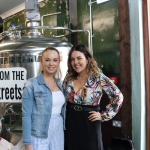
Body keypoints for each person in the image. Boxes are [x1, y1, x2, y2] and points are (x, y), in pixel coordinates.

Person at [62, 44, 123, 150]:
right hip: (71, 120)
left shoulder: (97, 77)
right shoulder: (69, 77)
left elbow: (118, 96)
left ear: (87, 59)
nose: (75, 62)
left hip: (89, 121)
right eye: (72, 59)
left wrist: (104, 115)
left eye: (79, 58)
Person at [22, 46, 66, 150]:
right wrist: (27, 143)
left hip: (58, 130)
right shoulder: (31, 84)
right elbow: (26, 115)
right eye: (47, 60)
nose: (51, 64)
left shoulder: (60, 83)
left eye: (55, 60)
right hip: (38, 132)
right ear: (41, 61)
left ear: (59, 62)